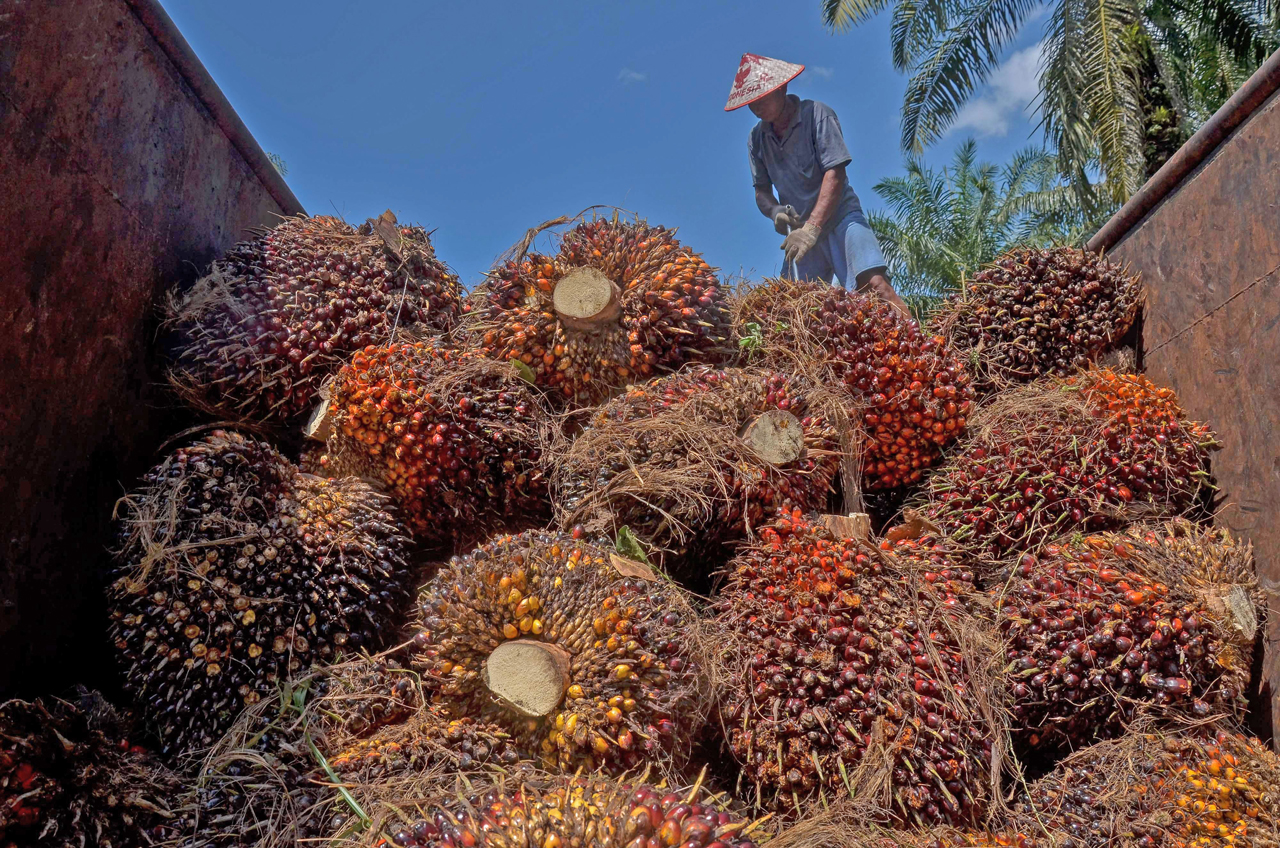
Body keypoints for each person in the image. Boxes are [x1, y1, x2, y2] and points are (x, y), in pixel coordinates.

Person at [725, 53, 910, 315]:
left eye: (761, 98)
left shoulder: (817, 115)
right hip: (799, 231)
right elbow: (761, 191)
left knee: (875, 286)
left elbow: (836, 173)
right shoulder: (756, 139)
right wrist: (775, 211)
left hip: (840, 219)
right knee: (791, 308)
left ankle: (926, 349)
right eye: (750, 103)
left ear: (781, 88)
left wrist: (812, 229)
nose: (755, 107)